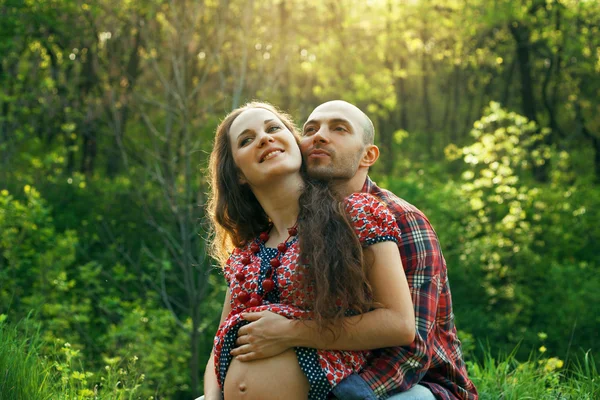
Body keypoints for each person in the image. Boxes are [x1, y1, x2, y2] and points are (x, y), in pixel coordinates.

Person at [227, 101, 479, 400]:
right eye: (310, 129)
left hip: (417, 386)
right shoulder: (296, 228)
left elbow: (412, 348)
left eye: (339, 129)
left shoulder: (400, 217)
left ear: (367, 155)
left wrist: (333, 390)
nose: (320, 136)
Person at [202, 102, 416, 400]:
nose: (264, 138)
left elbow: (400, 325)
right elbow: (219, 344)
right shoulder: (247, 252)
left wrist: (290, 331)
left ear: (296, 145)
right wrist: (213, 398)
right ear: (238, 172)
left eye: (274, 128)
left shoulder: (354, 215)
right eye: (246, 140)